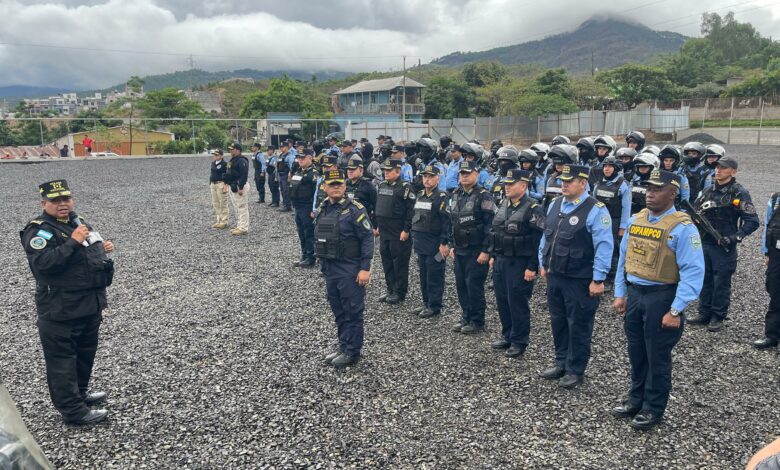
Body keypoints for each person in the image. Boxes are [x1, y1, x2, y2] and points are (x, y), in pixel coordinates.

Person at [612, 169, 704, 430]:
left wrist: (676, 310)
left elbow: (694, 272)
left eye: (657, 189)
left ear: (673, 193)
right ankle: (635, 400)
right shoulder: (636, 220)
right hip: (636, 294)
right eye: (648, 188)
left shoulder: (683, 228)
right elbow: (624, 260)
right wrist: (620, 293)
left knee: (657, 357)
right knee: (637, 352)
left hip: (662, 297)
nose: (650, 193)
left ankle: (653, 408)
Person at [20, 180, 115, 425]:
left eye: (66, 199)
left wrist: (102, 248)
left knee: (85, 354)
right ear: (44, 203)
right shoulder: (38, 230)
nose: (62, 204)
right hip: (60, 309)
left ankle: (80, 393)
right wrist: (73, 241)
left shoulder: (78, 221)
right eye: (55, 201)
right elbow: (42, 265)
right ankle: (73, 412)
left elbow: (89, 251)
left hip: (88, 303)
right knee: (62, 361)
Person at [538, 164, 613, 389]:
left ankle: (575, 369)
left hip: (580, 278)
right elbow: (546, 236)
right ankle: (561, 361)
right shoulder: (555, 203)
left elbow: (604, 246)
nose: (564, 184)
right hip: (556, 275)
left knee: (578, 324)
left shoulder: (596, 209)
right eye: (562, 180)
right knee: (558, 321)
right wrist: (542, 262)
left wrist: (598, 279)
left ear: (583, 182)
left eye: (570, 181)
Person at [688, 155, 760, 332]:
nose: (718, 170)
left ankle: (717, 316)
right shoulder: (708, 191)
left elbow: (752, 221)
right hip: (705, 243)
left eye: (723, 168)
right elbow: (695, 212)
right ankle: (704, 312)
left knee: (721, 282)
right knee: (705, 279)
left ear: (733, 171)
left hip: (723, 245)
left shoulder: (738, 193)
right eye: (717, 167)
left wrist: (735, 237)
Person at [315, 169, 374, 369]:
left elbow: (367, 239)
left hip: (350, 268)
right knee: (339, 311)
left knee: (352, 311)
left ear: (345, 186)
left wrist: (365, 268)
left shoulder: (355, 209)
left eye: (339, 184)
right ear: (324, 187)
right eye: (332, 185)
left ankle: (352, 351)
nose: (336, 187)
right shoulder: (324, 207)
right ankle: (343, 346)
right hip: (331, 268)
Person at [488, 168, 545, 357]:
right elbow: (497, 232)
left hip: (520, 263)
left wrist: (532, 266)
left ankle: (519, 341)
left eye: (511, 184)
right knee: (502, 300)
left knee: (517, 303)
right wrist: (493, 256)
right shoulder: (504, 203)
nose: (507, 187)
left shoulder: (533, 208)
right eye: (506, 183)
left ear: (523, 185)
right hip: (502, 260)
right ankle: (507, 335)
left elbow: (538, 241)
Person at [450, 159, 495, 334]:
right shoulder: (456, 194)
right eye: (462, 174)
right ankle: (466, 316)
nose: (465, 176)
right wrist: (452, 244)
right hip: (460, 248)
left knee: (473, 285)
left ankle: (477, 320)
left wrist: (486, 250)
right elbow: (452, 221)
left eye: (468, 173)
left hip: (476, 250)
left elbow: (490, 225)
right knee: (461, 285)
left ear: (476, 174)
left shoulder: (484, 195)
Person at [410, 164, 451, 318]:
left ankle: (434, 305)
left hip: (435, 243)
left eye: (431, 177)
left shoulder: (441, 197)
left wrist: (444, 243)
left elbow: (447, 222)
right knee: (423, 274)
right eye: (425, 177)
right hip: (421, 241)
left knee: (434, 275)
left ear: (437, 178)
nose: (427, 180)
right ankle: (426, 302)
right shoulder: (420, 195)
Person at [375, 159, 416, 304]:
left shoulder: (405, 187)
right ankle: (390, 289)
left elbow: (411, 211)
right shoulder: (382, 185)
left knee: (399, 264)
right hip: (385, 231)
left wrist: (406, 230)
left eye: (389, 171)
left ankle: (399, 292)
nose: (385, 173)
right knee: (387, 262)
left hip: (398, 232)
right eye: (384, 170)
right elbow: (380, 207)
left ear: (398, 172)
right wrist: (378, 226)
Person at [592, 156, 631, 282]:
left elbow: (626, 207)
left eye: (610, 166)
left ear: (615, 168)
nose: (607, 169)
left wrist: (623, 227)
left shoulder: (623, 184)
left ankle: (611, 277)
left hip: (615, 221)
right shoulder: (599, 183)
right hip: (599, 220)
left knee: (613, 248)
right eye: (605, 166)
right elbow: (593, 202)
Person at [755, 192, 780, 349]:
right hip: (776, 253)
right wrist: (766, 251)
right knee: (775, 291)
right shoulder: (775, 199)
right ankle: (772, 335)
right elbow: (768, 224)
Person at [290, 148, 318, 267]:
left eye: (302, 158)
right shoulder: (299, 171)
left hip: (307, 207)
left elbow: (316, 193)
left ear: (310, 158)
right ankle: (304, 255)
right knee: (301, 232)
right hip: (298, 206)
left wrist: (314, 209)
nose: (300, 160)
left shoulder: (314, 174)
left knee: (308, 233)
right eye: (298, 158)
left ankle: (311, 257)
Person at [224, 143, 250, 235]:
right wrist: (227, 183)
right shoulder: (232, 160)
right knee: (237, 207)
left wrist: (241, 187)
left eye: (233, 149)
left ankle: (243, 228)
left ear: (238, 150)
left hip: (240, 186)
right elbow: (228, 173)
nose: (231, 151)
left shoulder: (242, 160)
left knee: (242, 207)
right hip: (233, 185)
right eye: (230, 149)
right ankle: (239, 225)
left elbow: (244, 175)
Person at [345, 156, 377, 227]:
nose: (350, 171)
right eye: (348, 169)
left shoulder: (369, 185)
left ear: (361, 170)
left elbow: (376, 207)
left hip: (364, 223)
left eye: (353, 169)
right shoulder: (344, 184)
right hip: (347, 223)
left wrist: (375, 225)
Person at [209, 149, 229, 229]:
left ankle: (224, 221)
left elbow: (227, 174)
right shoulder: (213, 163)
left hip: (221, 183)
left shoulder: (225, 164)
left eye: (217, 155)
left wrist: (226, 184)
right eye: (214, 155)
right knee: (216, 203)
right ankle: (219, 220)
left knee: (223, 203)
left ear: (221, 156)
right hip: (213, 184)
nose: (215, 156)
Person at [277, 140, 296, 212]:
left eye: (283, 147)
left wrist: (290, 176)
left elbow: (292, 167)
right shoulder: (281, 155)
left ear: (287, 147)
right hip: (281, 175)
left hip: (286, 175)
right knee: (282, 190)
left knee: (286, 191)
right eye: (280, 147)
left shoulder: (290, 156)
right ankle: (285, 204)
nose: (281, 148)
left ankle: (288, 206)